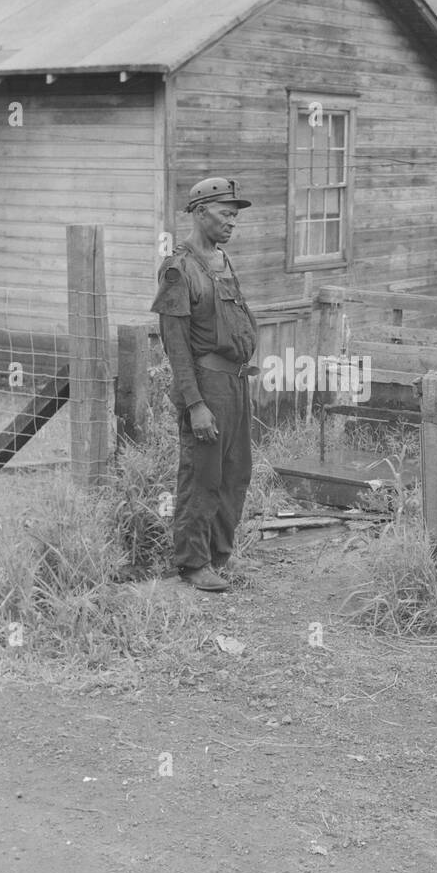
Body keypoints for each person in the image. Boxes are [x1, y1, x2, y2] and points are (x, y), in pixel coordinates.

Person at [150, 177, 260, 592]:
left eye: (235, 215)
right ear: (200, 213)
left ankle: (218, 556)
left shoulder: (221, 259)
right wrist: (195, 404)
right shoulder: (179, 269)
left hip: (234, 383)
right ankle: (192, 564)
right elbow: (176, 346)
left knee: (235, 473)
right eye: (225, 214)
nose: (233, 223)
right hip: (206, 384)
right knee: (202, 475)